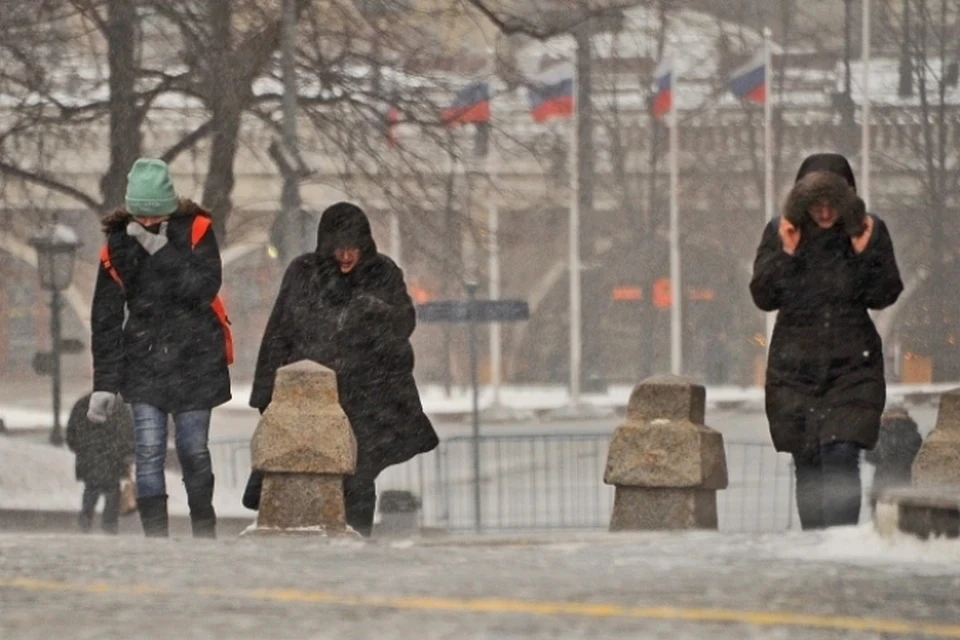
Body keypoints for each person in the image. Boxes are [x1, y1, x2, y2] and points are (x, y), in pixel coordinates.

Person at [249, 202, 439, 536]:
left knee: (359, 476)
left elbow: (404, 322)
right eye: (339, 249)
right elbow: (279, 331)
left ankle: (357, 541)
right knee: (307, 471)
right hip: (313, 398)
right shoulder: (303, 273)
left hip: (368, 397)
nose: (347, 257)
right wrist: (266, 391)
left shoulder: (383, 273)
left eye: (353, 248)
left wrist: (375, 311)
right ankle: (316, 538)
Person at [750, 153, 903, 530]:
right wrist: (786, 252)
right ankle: (814, 542)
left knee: (840, 453)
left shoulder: (868, 231)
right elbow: (764, 296)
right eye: (815, 204)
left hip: (853, 367)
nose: (823, 213)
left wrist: (863, 253)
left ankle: (841, 541)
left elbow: (883, 294)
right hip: (793, 369)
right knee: (809, 463)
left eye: (831, 204)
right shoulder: (782, 232)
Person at [90, 158, 231, 538]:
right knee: (149, 452)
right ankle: (156, 539)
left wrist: (161, 250)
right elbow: (105, 319)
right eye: (141, 216)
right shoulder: (116, 247)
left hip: (196, 358)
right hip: (144, 359)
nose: (147, 224)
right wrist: (104, 383)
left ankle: (204, 528)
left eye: (155, 217)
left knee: (192, 450)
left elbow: (203, 288)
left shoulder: (198, 231)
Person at [66, 392, 134, 534]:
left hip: (89, 457)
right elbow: (127, 433)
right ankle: (109, 525)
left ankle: (85, 522)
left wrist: (82, 449)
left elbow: (71, 433)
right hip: (113, 458)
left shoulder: (83, 404)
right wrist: (126, 453)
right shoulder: (118, 407)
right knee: (112, 492)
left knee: (91, 490)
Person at [864, 405, 923, 511]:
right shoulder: (914, 434)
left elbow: (870, 457)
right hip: (904, 481)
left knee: (880, 517)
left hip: (881, 483)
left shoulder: (879, 433)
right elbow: (913, 458)